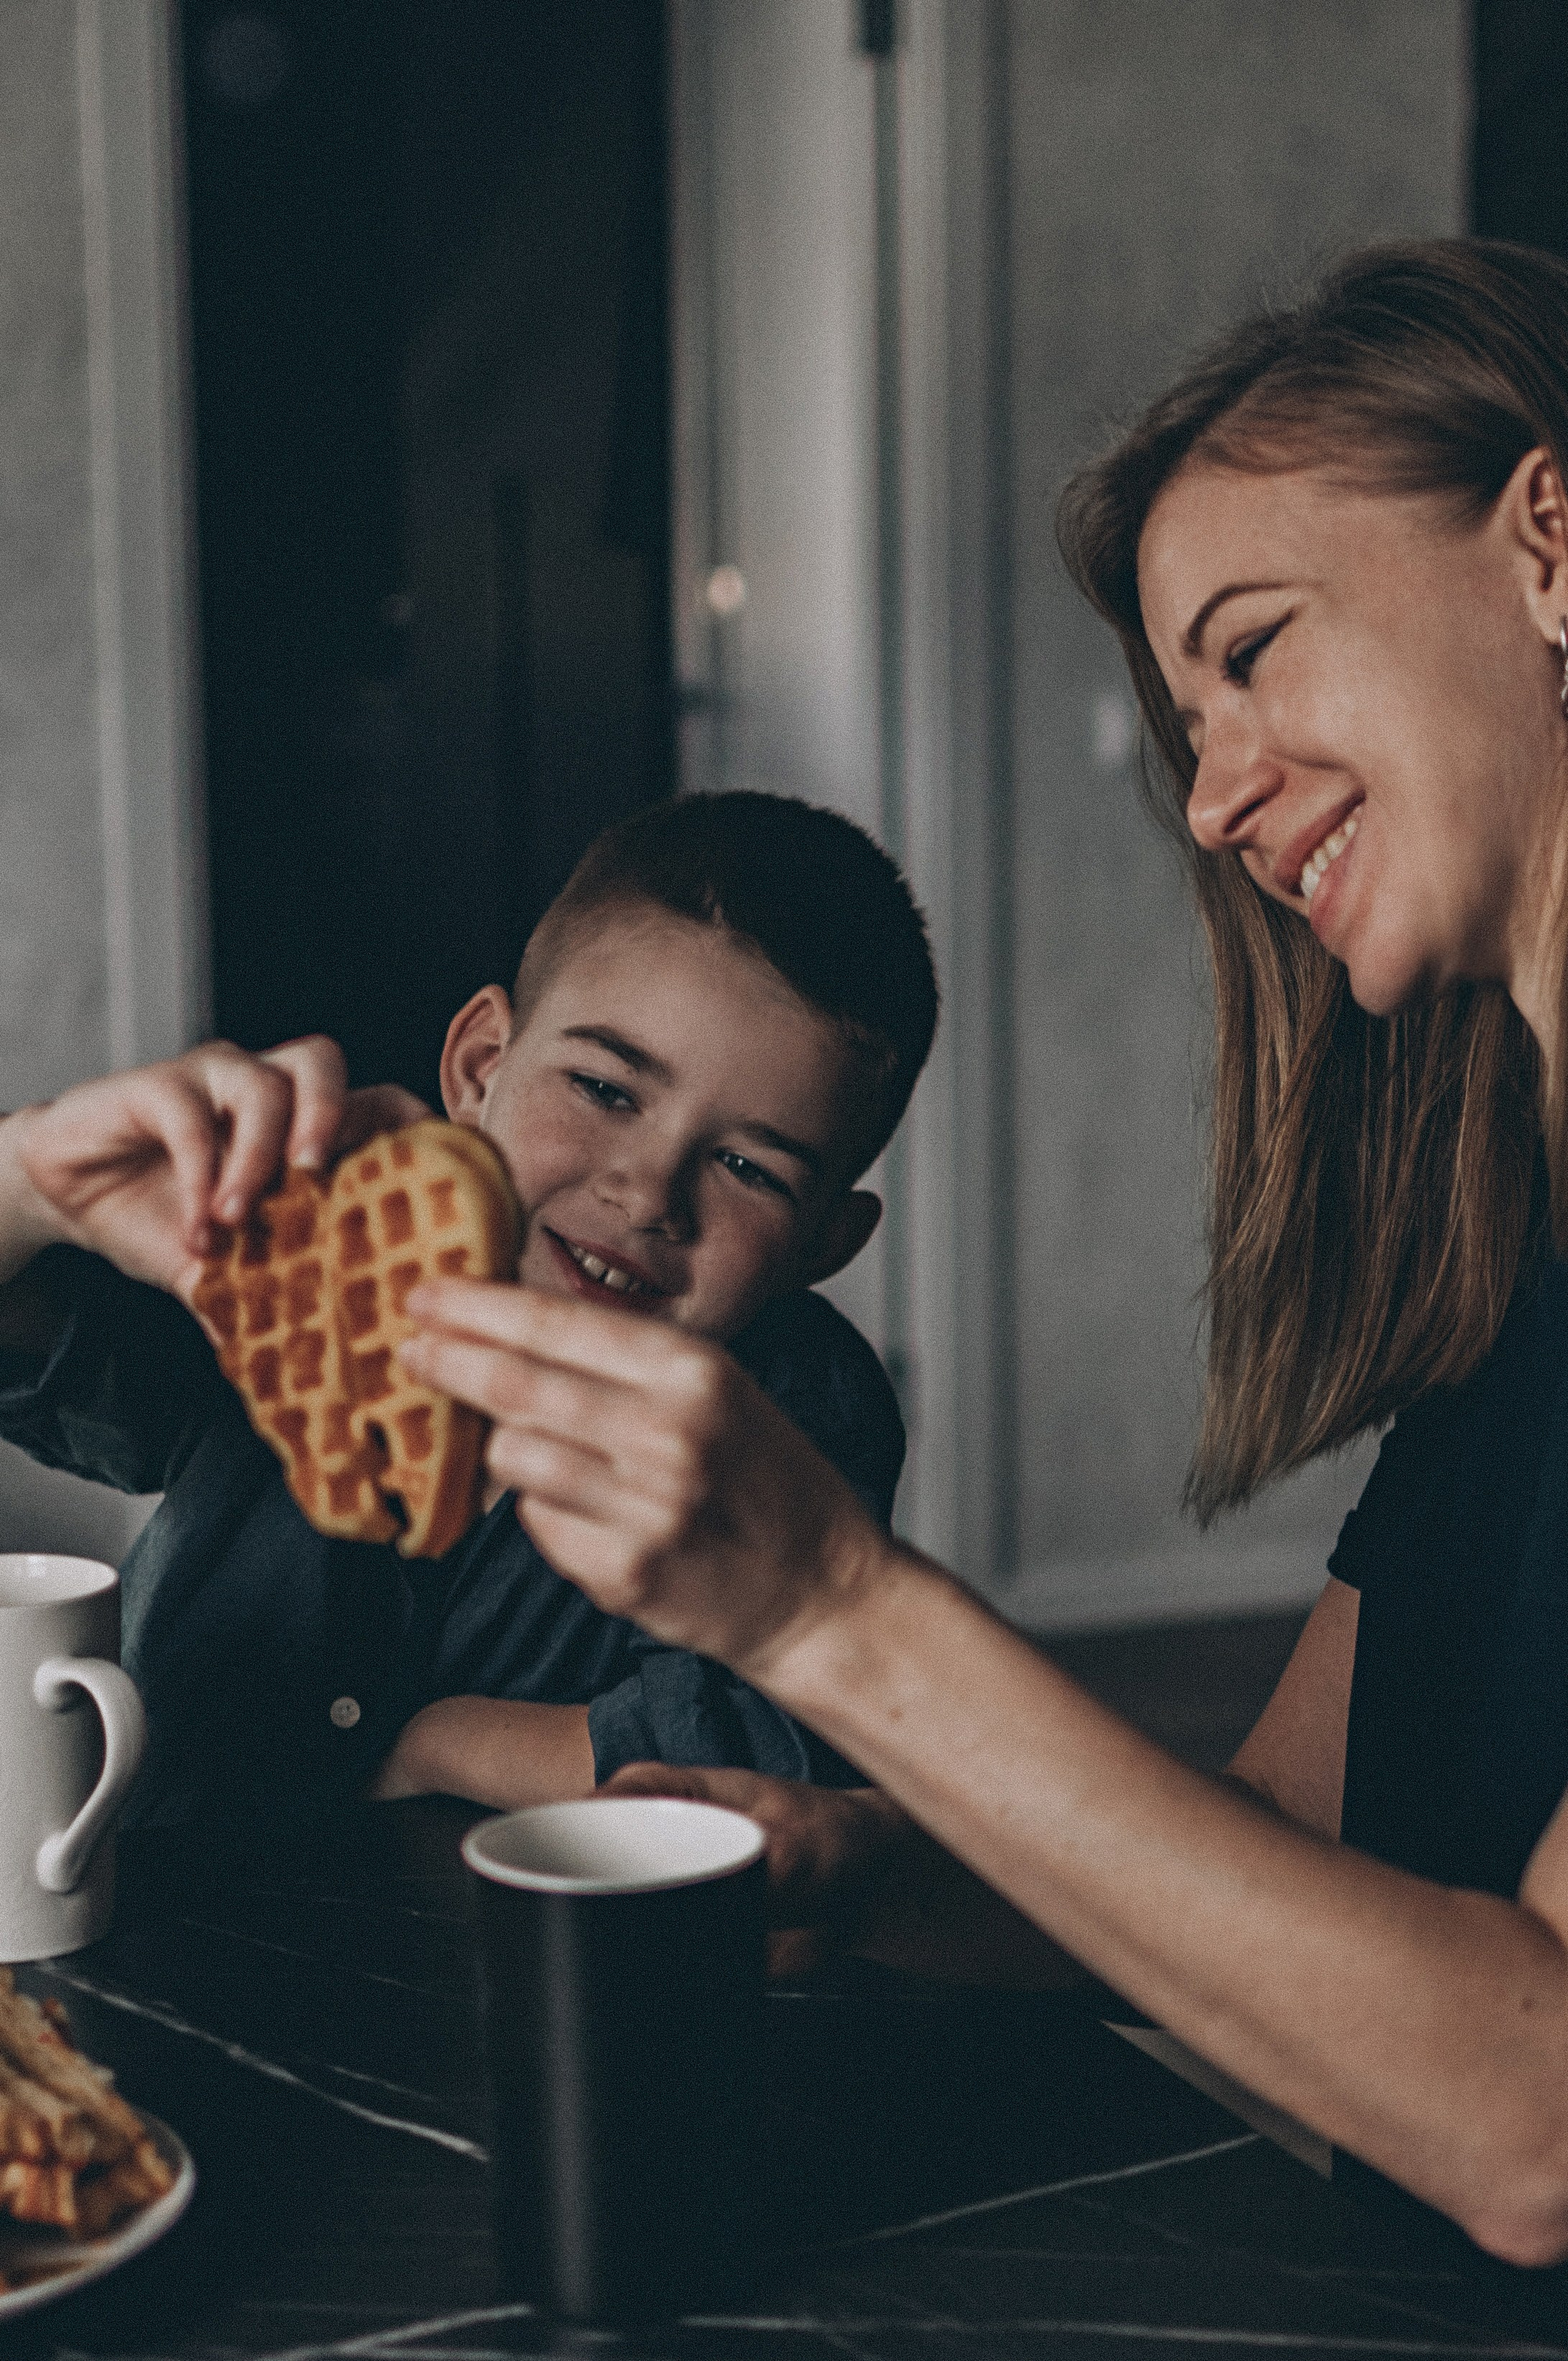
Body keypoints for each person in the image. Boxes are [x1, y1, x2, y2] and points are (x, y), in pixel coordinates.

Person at [400, 241, 1568, 2266]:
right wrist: (867, 1861)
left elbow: (1529, 2117)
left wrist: (831, 1608)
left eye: (1249, 647)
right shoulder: (1517, 1299)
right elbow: (1286, 1837)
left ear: (1546, 543)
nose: (1209, 802)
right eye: (1185, 720)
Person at [0, 791, 935, 1828]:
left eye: (747, 1168)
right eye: (605, 1089)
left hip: (498, 1927)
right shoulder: (308, 1268)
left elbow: (771, 1749)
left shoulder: (799, 1414)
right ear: (480, 1066)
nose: (646, 1194)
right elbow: (31, 1335)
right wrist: (30, 1184)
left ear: (825, 1242)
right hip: (162, 1886)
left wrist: (445, 1743)